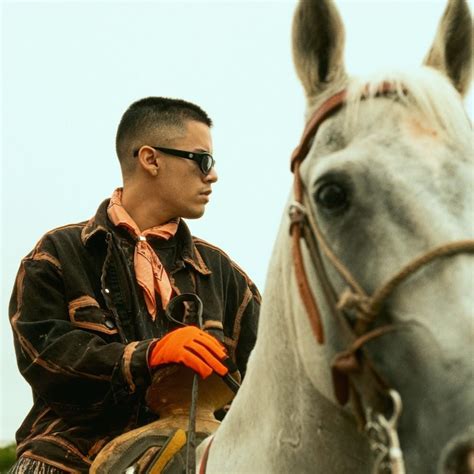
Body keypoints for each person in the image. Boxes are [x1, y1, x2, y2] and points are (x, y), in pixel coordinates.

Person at [8, 97, 260, 473]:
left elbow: (271, 376)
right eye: (202, 160)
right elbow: (45, 358)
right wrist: (147, 356)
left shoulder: (223, 275)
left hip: (196, 459)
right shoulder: (58, 254)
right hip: (72, 459)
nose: (212, 176)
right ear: (151, 159)